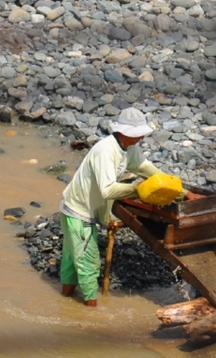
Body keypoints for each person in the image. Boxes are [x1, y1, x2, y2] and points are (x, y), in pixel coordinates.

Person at [59, 107, 163, 307]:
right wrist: (136, 189)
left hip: (82, 209)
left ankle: (63, 302)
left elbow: (142, 166)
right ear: (125, 133)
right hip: (78, 212)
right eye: (139, 133)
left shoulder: (128, 147)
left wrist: (166, 181)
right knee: (88, 263)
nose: (142, 137)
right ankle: (91, 313)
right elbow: (107, 190)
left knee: (73, 261)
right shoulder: (106, 150)